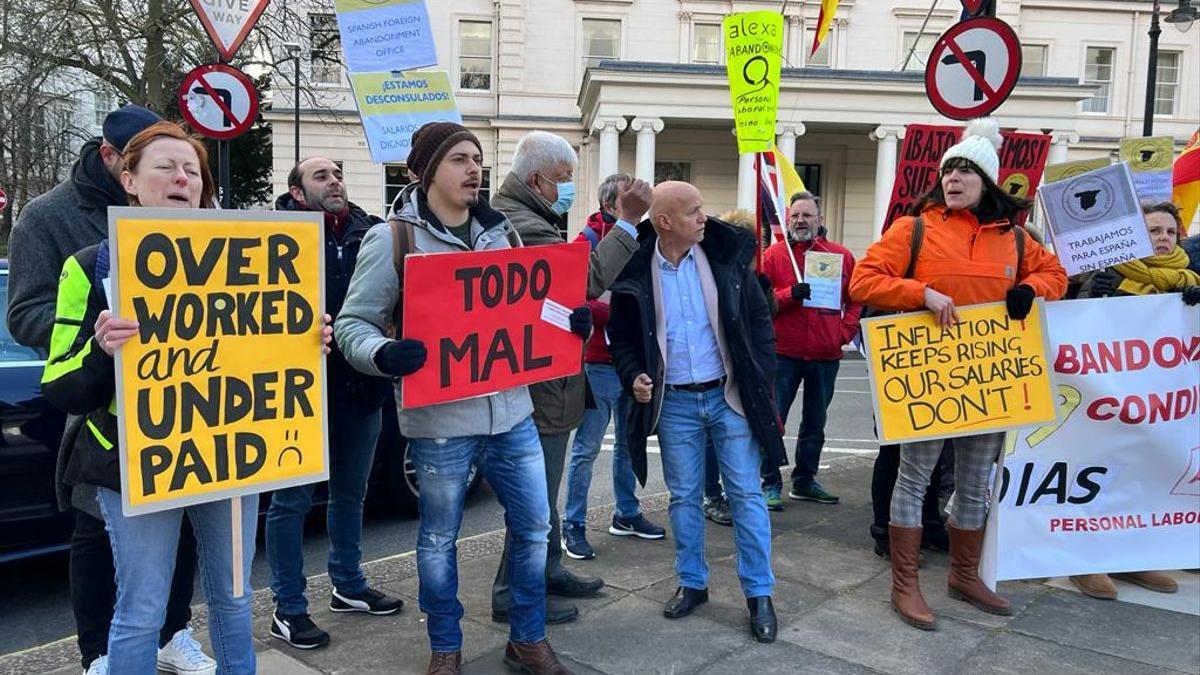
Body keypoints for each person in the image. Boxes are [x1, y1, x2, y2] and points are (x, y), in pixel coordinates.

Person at [40, 122, 322, 674]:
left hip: (229, 455)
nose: (182, 178)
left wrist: (308, 337)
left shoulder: (247, 253)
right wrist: (102, 349)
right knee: (141, 611)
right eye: (166, 167)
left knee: (235, 600)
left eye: (192, 170)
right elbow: (60, 384)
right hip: (134, 464)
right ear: (128, 179)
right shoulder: (89, 265)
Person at [335, 122, 576, 675]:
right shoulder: (392, 239)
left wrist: (569, 320)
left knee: (534, 528)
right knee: (439, 538)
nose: (474, 170)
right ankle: (446, 647)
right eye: (459, 160)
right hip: (441, 423)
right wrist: (383, 354)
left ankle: (528, 637)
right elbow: (353, 325)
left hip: (513, 413)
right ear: (424, 171)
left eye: (477, 159)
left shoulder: (502, 234)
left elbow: (532, 310)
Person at [6, 106, 213, 675]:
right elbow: (24, 314)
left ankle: (174, 635)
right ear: (115, 163)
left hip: (185, 396)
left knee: (185, 522)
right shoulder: (46, 217)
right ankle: (98, 652)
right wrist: (97, 328)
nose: (178, 177)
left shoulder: (193, 207)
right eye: (156, 161)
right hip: (93, 399)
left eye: (185, 166)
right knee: (95, 531)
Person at [849, 117, 1068, 631]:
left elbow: (1055, 274)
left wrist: (1030, 290)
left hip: (989, 383)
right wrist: (919, 293)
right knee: (915, 477)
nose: (954, 177)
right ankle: (905, 583)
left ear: (986, 181)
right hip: (931, 380)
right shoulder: (915, 228)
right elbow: (863, 280)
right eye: (950, 169)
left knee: (974, 482)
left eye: (967, 170)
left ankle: (964, 574)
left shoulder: (1014, 239)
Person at [489, 132, 657, 622]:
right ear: (538, 178)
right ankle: (512, 593)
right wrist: (627, 221)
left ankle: (546, 569)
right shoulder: (524, 222)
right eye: (563, 180)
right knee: (534, 494)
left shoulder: (526, 214)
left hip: (549, 376)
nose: (567, 189)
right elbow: (582, 280)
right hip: (539, 382)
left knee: (543, 487)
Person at [608, 181, 786, 643]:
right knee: (684, 499)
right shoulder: (635, 269)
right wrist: (634, 377)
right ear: (664, 222)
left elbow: (759, 320)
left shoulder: (725, 257)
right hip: (676, 405)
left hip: (728, 396)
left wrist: (759, 376)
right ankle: (692, 583)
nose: (704, 217)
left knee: (746, 495)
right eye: (693, 211)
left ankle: (759, 594)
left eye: (702, 207)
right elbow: (622, 341)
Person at [265, 157, 402, 650]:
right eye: (321, 176)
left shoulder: (372, 234)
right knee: (291, 503)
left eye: (337, 174)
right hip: (299, 395)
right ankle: (289, 608)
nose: (335, 181)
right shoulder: (275, 237)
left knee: (351, 493)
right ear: (298, 194)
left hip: (360, 388)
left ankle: (347, 584)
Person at [1067, 201, 1200, 600]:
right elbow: (1071, 329)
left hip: (1159, 403)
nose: (1162, 238)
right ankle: (1084, 562)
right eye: (1153, 231)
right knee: (1100, 475)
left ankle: (1132, 556)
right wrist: (1095, 297)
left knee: (1145, 475)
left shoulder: (1189, 279)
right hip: (1105, 398)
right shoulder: (1107, 273)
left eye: (1168, 232)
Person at [561, 172, 664, 560]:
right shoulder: (585, 242)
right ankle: (573, 524)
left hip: (632, 363)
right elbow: (573, 300)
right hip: (598, 364)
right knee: (586, 449)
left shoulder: (643, 240)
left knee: (627, 442)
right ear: (611, 205)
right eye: (632, 202)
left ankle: (626, 512)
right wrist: (619, 313)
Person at [760, 192, 862, 509]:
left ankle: (804, 480)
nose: (801, 221)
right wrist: (791, 293)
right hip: (784, 353)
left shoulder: (841, 256)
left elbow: (856, 297)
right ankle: (769, 482)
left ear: (819, 220)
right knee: (774, 420)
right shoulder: (773, 257)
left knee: (815, 423)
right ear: (788, 221)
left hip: (825, 354)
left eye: (807, 215)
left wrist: (845, 332)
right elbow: (761, 305)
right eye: (796, 216)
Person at [697, 208, 778, 527]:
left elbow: (763, 321)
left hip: (748, 372)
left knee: (743, 439)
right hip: (720, 374)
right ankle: (711, 493)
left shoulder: (751, 275)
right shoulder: (712, 272)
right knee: (711, 442)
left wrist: (765, 289)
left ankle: (737, 492)